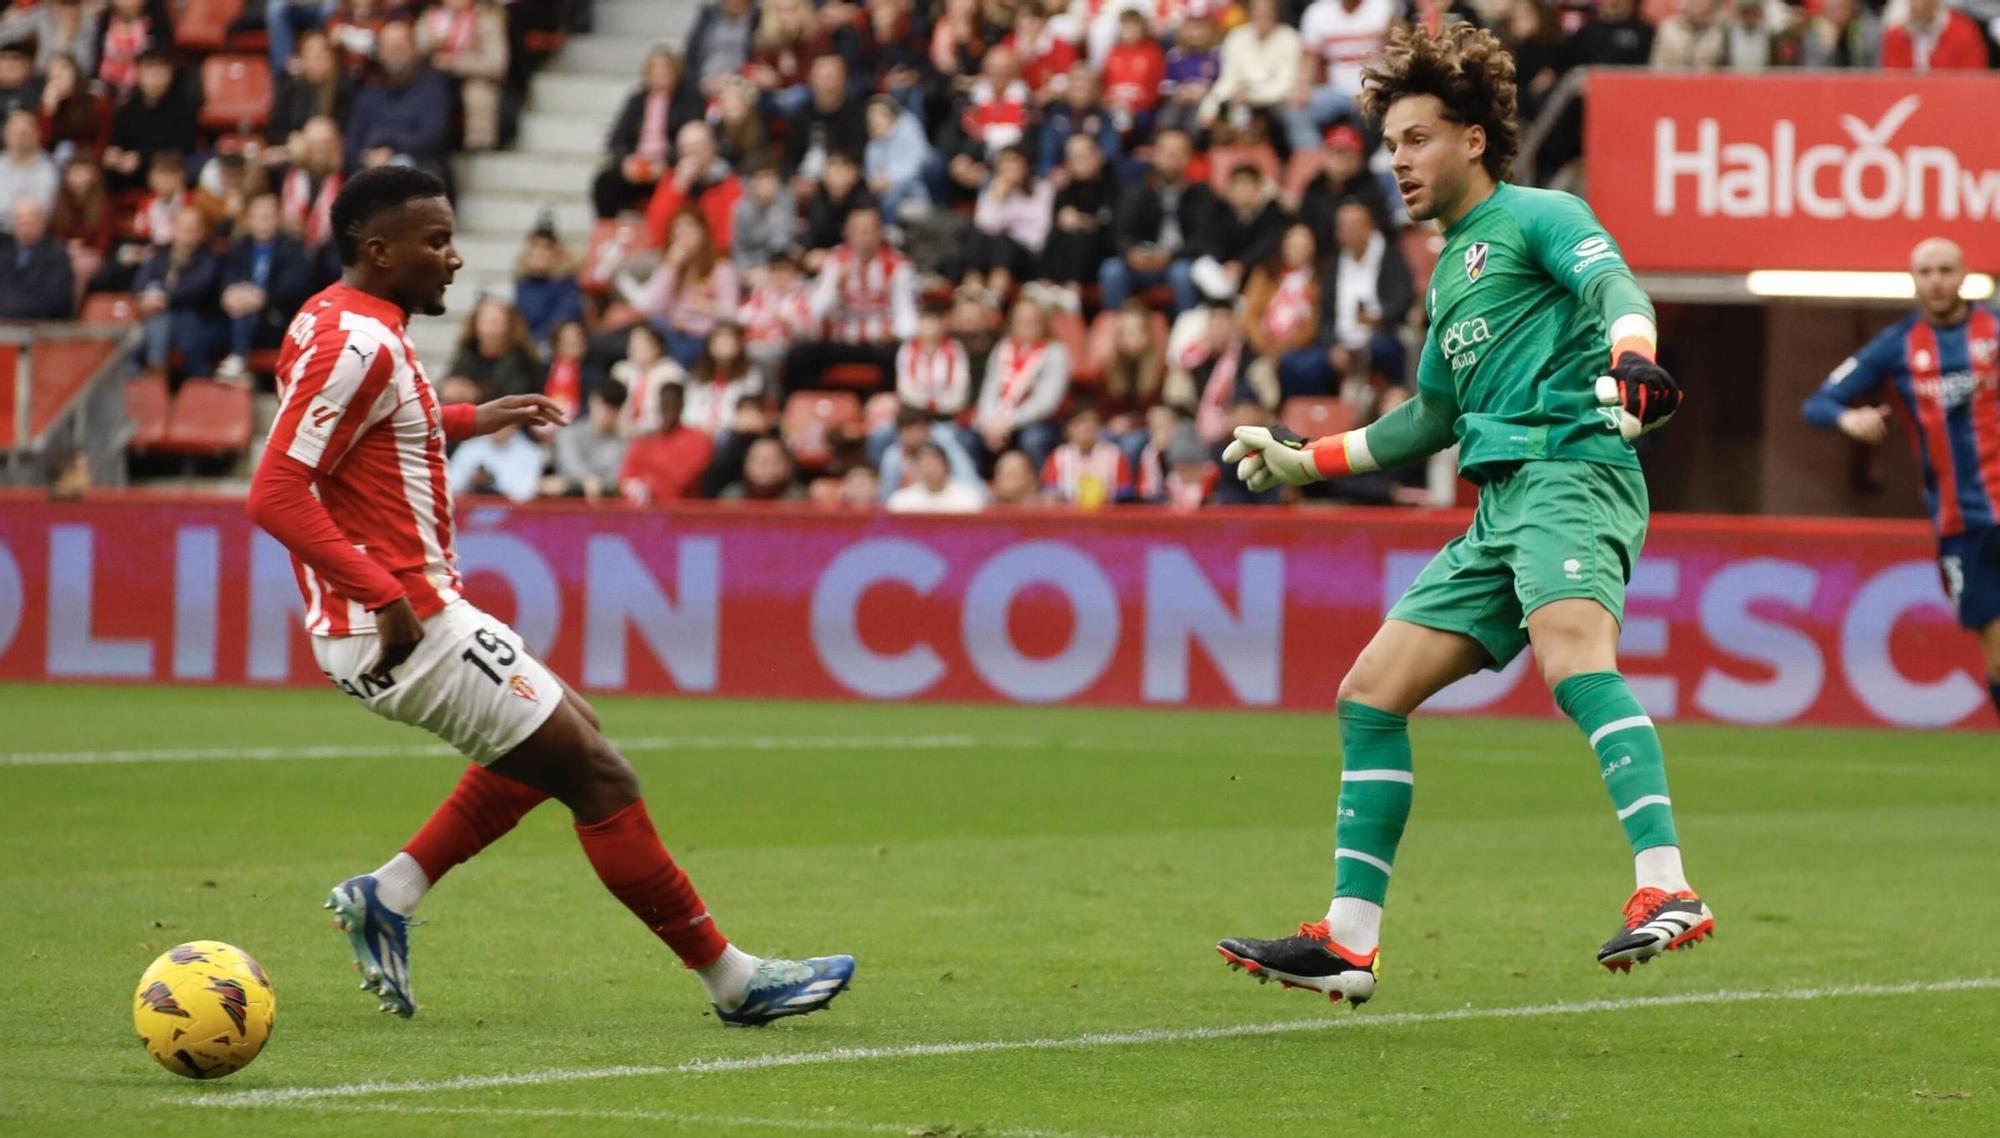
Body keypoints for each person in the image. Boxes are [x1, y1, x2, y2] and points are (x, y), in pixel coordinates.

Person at [243, 165, 854, 1024]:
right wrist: (383, 596)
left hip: (409, 612)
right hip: (401, 622)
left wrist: (469, 419)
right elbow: (273, 492)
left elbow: (374, 426)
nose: (454, 259)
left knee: (570, 735)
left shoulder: (334, 319)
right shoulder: (360, 344)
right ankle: (734, 981)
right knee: (601, 777)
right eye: (437, 241)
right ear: (379, 250)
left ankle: (391, 893)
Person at [1216, 24, 1702, 1006]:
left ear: (1472, 139)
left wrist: (1630, 355)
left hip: (1569, 468)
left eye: (1415, 138)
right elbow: (1430, 418)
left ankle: (1666, 883)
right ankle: (1349, 941)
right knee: (1368, 692)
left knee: (1572, 661)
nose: (1395, 160)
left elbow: (1614, 284)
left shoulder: (1537, 216)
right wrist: (1301, 458)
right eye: (1388, 143)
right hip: (1498, 504)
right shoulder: (1446, 275)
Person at [1802, 237, 2000, 721]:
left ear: (1964, 274)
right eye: (1926, 272)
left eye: (1945, 270)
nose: (1936, 281)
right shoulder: (1898, 346)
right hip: (1961, 524)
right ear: (1914, 280)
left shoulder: (1994, 331)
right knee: (1995, 653)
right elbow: (1818, 403)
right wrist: (1849, 421)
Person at [785, 205, 915, 391]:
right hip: (840, 341)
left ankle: (885, 407)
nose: (863, 238)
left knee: (897, 356)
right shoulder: (835, 261)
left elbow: (906, 313)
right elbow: (817, 310)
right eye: (857, 231)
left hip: (877, 344)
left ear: (879, 233)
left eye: (868, 231)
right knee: (800, 355)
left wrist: (895, 333)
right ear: (847, 233)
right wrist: (836, 286)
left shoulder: (897, 265)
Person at [1100, 128, 1210, 314]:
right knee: (1111, 270)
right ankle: (1113, 332)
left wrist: (1171, 256)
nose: (1172, 158)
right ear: (1155, 155)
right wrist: (1131, 252)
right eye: (1167, 152)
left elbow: (1202, 238)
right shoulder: (1135, 192)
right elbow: (1120, 232)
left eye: (1179, 152)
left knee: (1182, 273)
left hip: (1177, 261)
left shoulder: (1201, 195)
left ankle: (1186, 335)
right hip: (1140, 262)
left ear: (1190, 157)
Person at [593, 47, 705, 220]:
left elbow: (691, 139)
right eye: (655, 70)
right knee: (605, 182)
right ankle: (608, 232)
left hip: (670, 167)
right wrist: (626, 161)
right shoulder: (637, 100)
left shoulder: (689, 99)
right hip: (639, 165)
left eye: (665, 69)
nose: (660, 75)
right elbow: (617, 138)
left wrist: (667, 163)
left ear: (675, 72)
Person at [217, 192, 314, 380]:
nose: (262, 222)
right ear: (249, 218)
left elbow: (294, 287)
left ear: (278, 217)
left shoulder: (292, 247)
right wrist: (229, 294)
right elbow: (228, 281)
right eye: (257, 216)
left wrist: (263, 297)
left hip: (277, 317)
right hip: (237, 313)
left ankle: (238, 358)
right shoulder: (240, 246)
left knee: (248, 312)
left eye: (268, 216)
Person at [344, 21, 451, 181]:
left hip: (419, 172)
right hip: (371, 173)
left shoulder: (432, 88)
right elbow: (353, 142)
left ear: (413, 50)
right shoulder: (369, 94)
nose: (395, 53)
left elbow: (432, 137)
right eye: (389, 48)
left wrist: (389, 148)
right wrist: (369, 157)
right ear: (380, 53)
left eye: (400, 47)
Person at [971, 297, 1070, 468]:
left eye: (1033, 321)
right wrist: (988, 423)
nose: (1028, 325)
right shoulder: (1002, 349)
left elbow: (1046, 402)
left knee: (1033, 439)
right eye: (1022, 321)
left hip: (1038, 422)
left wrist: (1008, 423)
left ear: (1043, 322)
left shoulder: (1055, 352)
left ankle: (1041, 488)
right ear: (1012, 323)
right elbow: (989, 390)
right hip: (998, 421)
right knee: (967, 437)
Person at [1291, 0, 1395, 153]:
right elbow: (1308, 59)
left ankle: (1372, 161)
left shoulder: (1383, 8)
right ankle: (1314, 161)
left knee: (1377, 110)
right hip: (1336, 92)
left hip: (1375, 89)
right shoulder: (1317, 12)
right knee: (1296, 112)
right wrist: (1301, 88)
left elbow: (1395, 55)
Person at [134, 208, 227, 376]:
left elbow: (198, 288)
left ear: (202, 233)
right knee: (127, 346)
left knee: (176, 324)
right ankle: (146, 380)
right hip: (158, 320)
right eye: (182, 227)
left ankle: (157, 370)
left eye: (192, 229)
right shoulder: (160, 252)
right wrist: (146, 297)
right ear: (174, 228)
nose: (187, 233)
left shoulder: (210, 257)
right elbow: (140, 282)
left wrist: (164, 298)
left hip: (196, 319)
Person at [414, 0, 507, 152]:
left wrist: (455, 63)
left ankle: (478, 146)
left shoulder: (486, 19)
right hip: (435, 81)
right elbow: (415, 52)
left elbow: (497, 63)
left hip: (471, 81)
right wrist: (433, 40)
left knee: (477, 90)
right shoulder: (431, 17)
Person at [620, 380, 715, 503]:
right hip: (640, 512)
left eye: (673, 403)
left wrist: (646, 484)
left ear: (682, 405)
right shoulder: (644, 440)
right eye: (665, 403)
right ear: (658, 405)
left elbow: (679, 481)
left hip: (682, 512)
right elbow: (626, 477)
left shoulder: (699, 441)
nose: (669, 409)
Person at [547, 378, 630, 501]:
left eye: (612, 410)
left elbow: (618, 479)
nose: (605, 414)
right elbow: (569, 468)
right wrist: (587, 480)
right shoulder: (570, 434)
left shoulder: (623, 443)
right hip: (568, 502)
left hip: (606, 506)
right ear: (592, 401)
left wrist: (597, 484)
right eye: (602, 406)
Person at [446, 297, 541, 403]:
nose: (491, 329)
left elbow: (518, 393)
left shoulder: (522, 358)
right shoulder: (467, 352)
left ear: (509, 325)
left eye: (496, 322)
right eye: (486, 322)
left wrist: (478, 394)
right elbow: (449, 381)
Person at [1042, 405, 1130, 507]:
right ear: (1068, 428)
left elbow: (1125, 494)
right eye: (1081, 422)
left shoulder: (1114, 454)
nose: (1087, 427)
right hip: (1069, 516)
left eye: (1093, 422)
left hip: (1107, 514)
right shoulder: (1058, 456)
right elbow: (1051, 492)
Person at [0, 198, 73, 318]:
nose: (25, 224)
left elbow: (55, 300)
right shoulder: (4, 254)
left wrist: (11, 306)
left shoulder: (57, 255)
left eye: (31, 219)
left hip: (44, 327)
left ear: (43, 222)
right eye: (20, 219)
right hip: (6, 327)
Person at [447, 421, 545, 502]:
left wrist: (492, 482)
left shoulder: (531, 452)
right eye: (497, 424)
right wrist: (472, 481)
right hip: (470, 510)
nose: (499, 430)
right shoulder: (470, 446)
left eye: (504, 425)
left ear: (515, 426)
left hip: (511, 515)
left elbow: (525, 493)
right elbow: (451, 485)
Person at [1881, 0, 1988, 70]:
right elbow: (1892, 77)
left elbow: (1973, 76)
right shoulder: (1896, 36)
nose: (1915, 5)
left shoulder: (1963, 32)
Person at [886, 441, 986, 512]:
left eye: (934, 464)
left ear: (946, 466)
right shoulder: (901, 501)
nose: (929, 470)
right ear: (915, 469)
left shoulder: (968, 499)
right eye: (925, 465)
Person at [0, 108, 56, 224]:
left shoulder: (48, 169)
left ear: (37, 135)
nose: (20, 139)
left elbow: (44, 210)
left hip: (34, 237)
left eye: (25, 133)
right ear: (5, 134)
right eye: (15, 133)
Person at [718, 435, 804, 500]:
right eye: (756, 459)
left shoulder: (801, 500)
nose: (763, 465)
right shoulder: (731, 499)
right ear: (746, 465)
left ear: (787, 466)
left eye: (770, 460)